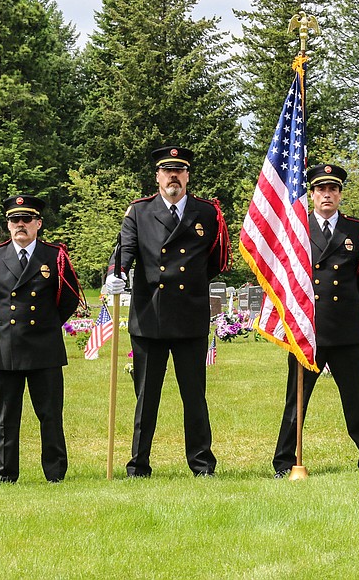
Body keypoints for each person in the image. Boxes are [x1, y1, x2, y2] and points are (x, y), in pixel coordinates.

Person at [105, 146, 231, 478]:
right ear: (158, 176)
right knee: (146, 397)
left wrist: (191, 283)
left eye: (179, 170)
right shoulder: (139, 212)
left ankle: (202, 463)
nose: (173, 176)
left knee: (194, 395)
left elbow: (216, 261)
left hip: (189, 316)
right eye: (167, 170)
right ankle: (138, 464)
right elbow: (125, 250)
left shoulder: (207, 213)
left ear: (188, 176)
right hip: (151, 317)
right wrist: (115, 275)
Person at [0, 195, 84, 483]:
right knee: (5, 417)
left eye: (26, 220)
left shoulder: (54, 256)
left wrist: (49, 325)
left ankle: (55, 473)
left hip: (44, 348)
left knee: (50, 415)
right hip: (5, 347)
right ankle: (5, 473)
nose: (20, 225)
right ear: (8, 225)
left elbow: (70, 298)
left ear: (38, 224)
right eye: (15, 220)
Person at [273, 163, 359, 478]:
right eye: (321, 189)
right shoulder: (298, 228)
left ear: (339, 194)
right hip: (308, 330)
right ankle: (284, 461)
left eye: (332, 189)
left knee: (357, 398)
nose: (327, 195)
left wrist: (343, 308)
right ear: (311, 195)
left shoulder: (356, 230)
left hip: (346, 328)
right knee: (296, 400)